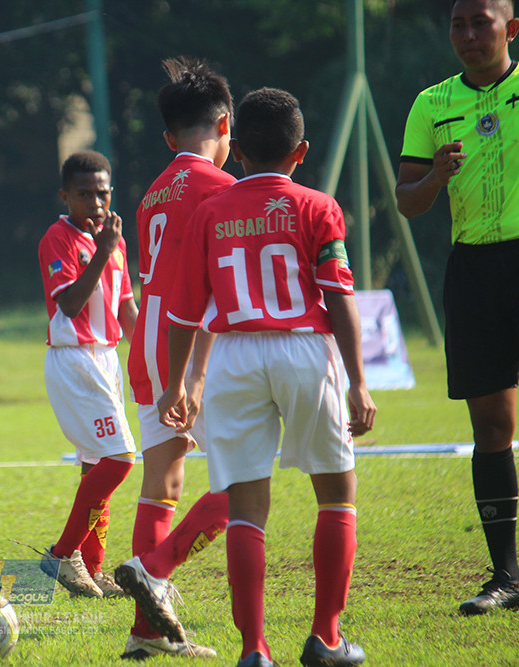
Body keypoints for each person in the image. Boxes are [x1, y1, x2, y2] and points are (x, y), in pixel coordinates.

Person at [153, 88, 376, 667]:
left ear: (239, 148)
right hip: (304, 350)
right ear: (300, 152)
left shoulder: (209, 211)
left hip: (232, 357)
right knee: (336, 490)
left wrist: (178, 382)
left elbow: (182, 313)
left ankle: (254, 650)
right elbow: (340, 297)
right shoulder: (317, 206)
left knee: (248, 508)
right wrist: (358, 380)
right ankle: (326, 637)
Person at [396, 0, 519, 616]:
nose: (468, 35)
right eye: (458, 24)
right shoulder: (431, 105)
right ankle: (506, 577)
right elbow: (407, 201)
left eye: (482, 22)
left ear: (511, 29)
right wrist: (436, 178)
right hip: (474, 269)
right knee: (492, 426)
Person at [118, 56, 235, 660]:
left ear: (169, 138)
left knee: (161, 483)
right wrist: (194, 372)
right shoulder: (226, 191)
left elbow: (149, 280)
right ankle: (156, 572)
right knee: (244, 483)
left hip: (147, 345)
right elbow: (214, 287)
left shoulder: (150, 196)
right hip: (194, 345)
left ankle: (144, 634)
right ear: (225, 126)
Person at [35, 150, 138, 599]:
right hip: (74, 357)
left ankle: (91, 570)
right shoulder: (58, 239)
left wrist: (153, 360)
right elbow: (71, 304)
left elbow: (125, 309)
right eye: (84, 194)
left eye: (103, 193)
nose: (96, 203)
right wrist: (103, 251)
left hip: (107, 357)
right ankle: (61, 553)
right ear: (65, 196)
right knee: (120, 459)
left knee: (97, 465)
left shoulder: (113, 242)